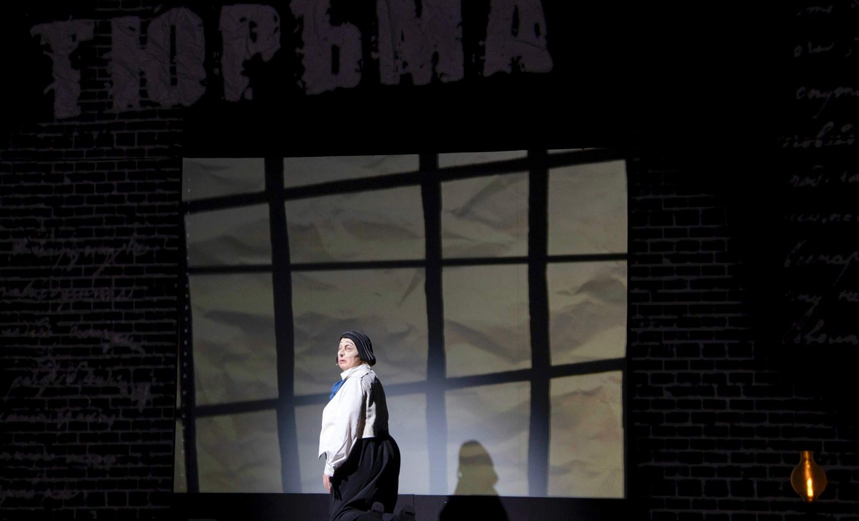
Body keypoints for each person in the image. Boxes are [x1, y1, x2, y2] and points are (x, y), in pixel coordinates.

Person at [318, 330, 414, 521]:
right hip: (384, 449)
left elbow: (347, 427)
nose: (341, 352)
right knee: (376, 507)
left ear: (361, 353)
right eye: (340, 348)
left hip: (362, 453)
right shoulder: (371, 377)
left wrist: (331, 466)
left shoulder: (356, 382)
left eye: (348, 348)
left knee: (343, 514)